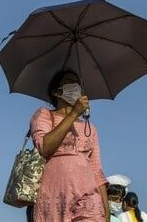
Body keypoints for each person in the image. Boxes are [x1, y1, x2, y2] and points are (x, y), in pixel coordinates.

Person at [30, 70, 109, 222]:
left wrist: (106, 209)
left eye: (77, 83)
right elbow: (44, 147)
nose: (75, 86)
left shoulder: (90, 128)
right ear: (56, 91)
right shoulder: (44, 115)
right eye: (69, 82)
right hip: (55, 195)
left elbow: (96, 168)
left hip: (88, 197)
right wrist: (74, 113)